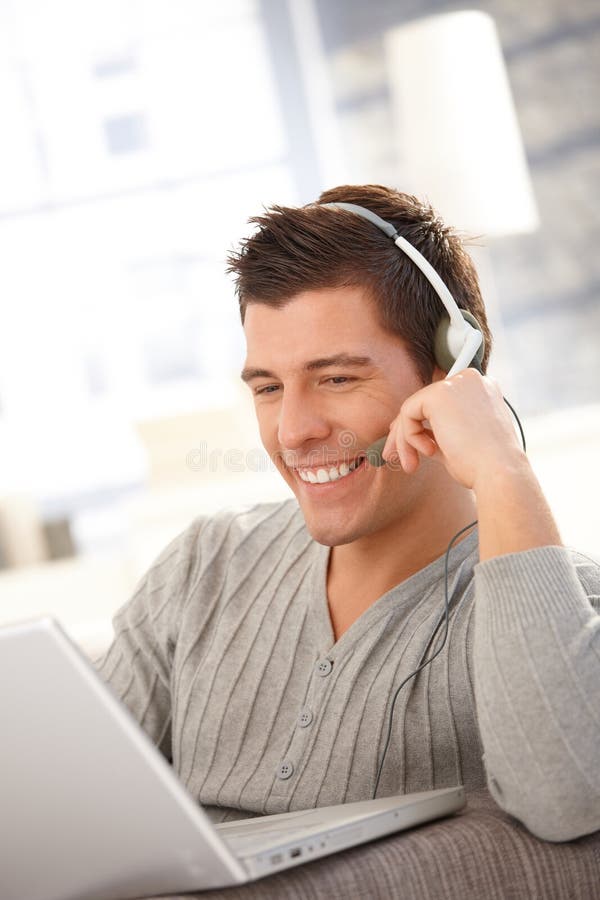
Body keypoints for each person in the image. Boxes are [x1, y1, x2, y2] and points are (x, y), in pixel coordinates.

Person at [97, 184, 600, 841]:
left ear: (454, 371)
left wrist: (503, 468)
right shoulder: (204, 565)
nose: (294, 431)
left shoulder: (569, 609)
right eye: (270, 388)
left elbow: (567, 800)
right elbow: (72, 807)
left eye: (336, 378)